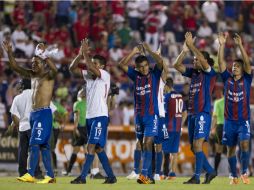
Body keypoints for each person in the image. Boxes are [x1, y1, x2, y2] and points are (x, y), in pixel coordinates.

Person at [2, 41, 57, 183]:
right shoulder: (32, 76)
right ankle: (50, 176)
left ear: (43, 63)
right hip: (34, 114)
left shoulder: (48, 76)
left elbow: (55, 70)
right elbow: (15, 66)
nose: (33, 64)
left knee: (33, 144)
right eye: (32, 62)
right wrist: (9, 53)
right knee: (44, 146)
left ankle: (30, 173)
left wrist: (45, 56)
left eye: (36, 62)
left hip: (43, 113)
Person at [69, 39, 116, 184]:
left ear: (101, 66)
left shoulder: (105, 75)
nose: (92, 66)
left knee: (90, 146)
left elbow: (89, 65)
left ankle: (82, 177)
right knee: (98, 148)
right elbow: (71, 68)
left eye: (96, 64)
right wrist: (79, 55)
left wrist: (85, 54)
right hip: (90, 116)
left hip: (100, 116)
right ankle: (111, 176)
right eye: (93, 63)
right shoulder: (89, 77)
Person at [173, 32, 217, 184]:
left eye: (196, 59)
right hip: (192, 114)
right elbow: (176, 65)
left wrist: (192, 45)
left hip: (202, 114)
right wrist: (184, 50)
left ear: (204, 60)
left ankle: (197, 177)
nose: (194, 61)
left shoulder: (210, 73)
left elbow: (204, 62)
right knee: (194, 147)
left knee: (198, 145)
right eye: (193, 59)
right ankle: (210, 171)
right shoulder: (194, 73)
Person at [119, 42, 163, 184]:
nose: (144, 69)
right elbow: (121, 64)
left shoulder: (155, 74)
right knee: (142, 144)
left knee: (148, 141)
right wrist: (133, 52)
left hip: (152, 116)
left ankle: (143, 174)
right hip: (138, 116)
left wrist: (149, 50)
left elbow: (160, 61)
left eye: (146, 65)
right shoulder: (135, 76)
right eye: (141, 67)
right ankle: (149, 176)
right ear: (137, 68)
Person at [217, 32, 252, 185]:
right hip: (229, 122)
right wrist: (222, 44)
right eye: (233, 66)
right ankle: (233, 174)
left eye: (237, 66)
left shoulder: (247, 78)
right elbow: (221, 63)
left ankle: (244, 171)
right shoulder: (227, 79)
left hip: (243, 120)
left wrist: (240, 46)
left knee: (244, 144)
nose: (234, 68)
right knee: (230, 150)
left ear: (242, 69)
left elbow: (247, 62)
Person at [162, 77, 187, 180]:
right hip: (177, 128)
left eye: (163, 87)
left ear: (167, 86)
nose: (162, 90)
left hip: (168, 127)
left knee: (164, 151)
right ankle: (173, 174)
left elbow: (163, 113)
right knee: (174, 152)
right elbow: (185, 113)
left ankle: (162, 174)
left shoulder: (166, 97)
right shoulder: (180, 96)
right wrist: (181, 124)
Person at [211, 88, 225, 174]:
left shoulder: (217, 102)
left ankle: (215, 170)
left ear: (222, 94)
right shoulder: (232, 104)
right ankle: (233, 173)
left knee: (218, 150)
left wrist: (212, 129)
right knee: (231, 150)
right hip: (230, 127)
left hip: (220, 127)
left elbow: (215, 117)